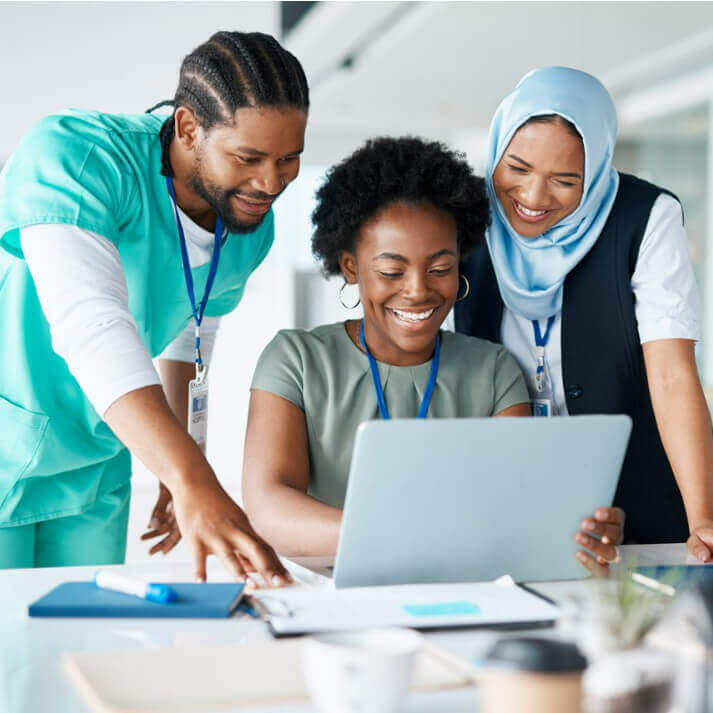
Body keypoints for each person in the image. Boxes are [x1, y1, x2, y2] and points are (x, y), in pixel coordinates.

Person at [0, 30, 308, 583]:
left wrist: (180, 459)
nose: (270, 183)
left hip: (97, 464)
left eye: (289, 159)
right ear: (189, 128)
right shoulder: (79, 157)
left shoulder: (247, 222)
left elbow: (193, 331)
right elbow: (91, 325)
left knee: (74, 646)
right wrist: (194, 479)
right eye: (249, 157)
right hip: (8, 444)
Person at [241, 136, 624, 576]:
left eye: (441, 269)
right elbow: (269, 505)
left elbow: (515, 505)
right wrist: (399, 535)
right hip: (326, 597)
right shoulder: (296, 361)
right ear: (350, 266)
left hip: (461, 593)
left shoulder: (493, 371)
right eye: (391, 271)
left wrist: (578, 529)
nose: (419, 290)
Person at [454, 66, 713, 559]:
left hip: (640, 490)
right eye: (518, 168)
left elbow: (673, 375)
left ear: (595, 172)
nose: (532, 198)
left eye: (565, 180)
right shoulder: (465, 211)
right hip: (513, 489)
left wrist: (703, 515)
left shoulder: (645, 218)